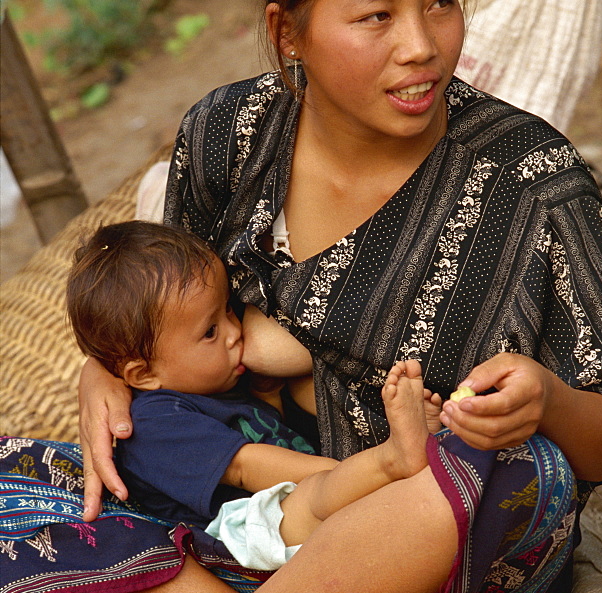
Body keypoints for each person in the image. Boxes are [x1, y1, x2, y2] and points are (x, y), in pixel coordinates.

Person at [1, 0, 602, 593]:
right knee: (11, 477)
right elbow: (158, 305)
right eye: (376, 16)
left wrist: (542, 395)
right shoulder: (228, 136)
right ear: (288, 31)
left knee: (512, 470)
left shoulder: (531, 180)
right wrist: (101, 369)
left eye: (439, 3)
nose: (421, 45)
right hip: (250, 527)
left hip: (433, 542)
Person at [66, 219, 442, 569]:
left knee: (321, 499)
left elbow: (262, 428)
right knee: (312, 499)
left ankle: (404, 460)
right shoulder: (152, 424)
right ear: (144, 373)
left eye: (227, 312)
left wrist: (266, 394)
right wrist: (351, 473)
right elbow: (248, 468)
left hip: (283, 514)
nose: (234, 332)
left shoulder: (212, 386)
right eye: (210, 332)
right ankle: (392, 462)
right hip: (237, 547)